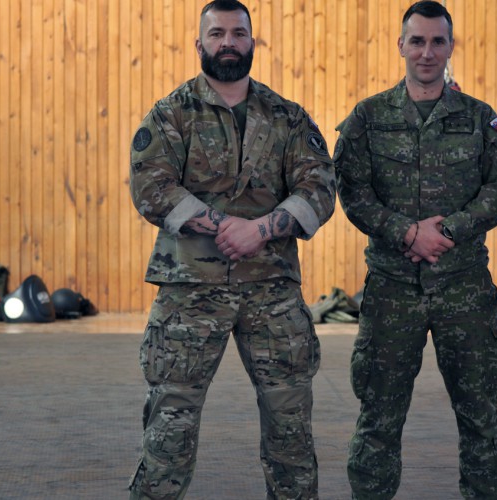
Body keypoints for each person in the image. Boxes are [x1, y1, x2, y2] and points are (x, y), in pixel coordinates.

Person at [127, 1, 336, 498]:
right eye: (217, 33)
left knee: (290, 428)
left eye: (238, 33)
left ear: (251, 42)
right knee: (169, 430)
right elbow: (151, 186)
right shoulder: (171, 113)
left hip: (272, 290)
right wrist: (226, 226)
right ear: (199, 44)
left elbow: (320, 187)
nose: (228, 42)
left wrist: (259, 230)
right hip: (189, 290)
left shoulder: (287, 117)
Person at [333, 2, 497, 498]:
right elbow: (352, 191)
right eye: (417, 41)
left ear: (451, 46)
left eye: (438, 41)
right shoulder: (368, 118)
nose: (427, 52)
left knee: (481, 417)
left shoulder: (481, 120)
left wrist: (449, 231)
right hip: (391, 290)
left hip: (464, 289)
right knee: (378, 419)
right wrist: (405, 232)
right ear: (401, 45)